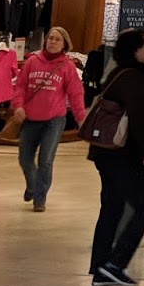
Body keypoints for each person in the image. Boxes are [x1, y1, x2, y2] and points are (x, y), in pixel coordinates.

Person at [88, 28, 144, 286]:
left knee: (112, 206)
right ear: (135, 51)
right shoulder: (133, 76)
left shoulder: (121, 72)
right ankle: (115, 263)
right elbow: (139, 117)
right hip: (123, 154)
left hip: (108, 152)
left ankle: (101, 267)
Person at [14, 26, 85, 212]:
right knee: (25, 158)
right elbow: (20, 86)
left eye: (57, 39)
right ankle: (32, 185)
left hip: (54, 120)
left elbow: (76, 95)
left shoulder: (67, 67)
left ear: (64, 44)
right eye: (50, 38)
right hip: (30, 119)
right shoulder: (32, 62)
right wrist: (18, 105)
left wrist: (81, 118)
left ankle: (40, 199)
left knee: (45, 160)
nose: (53, 42)